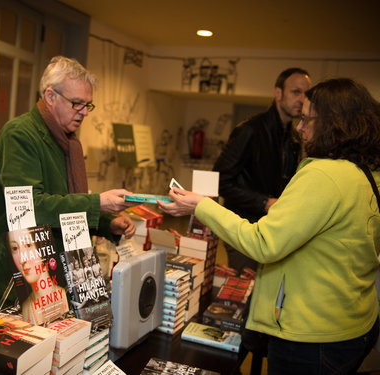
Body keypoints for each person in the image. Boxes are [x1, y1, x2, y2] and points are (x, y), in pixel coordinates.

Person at [158, 78, 380, 374]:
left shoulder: (325, 174)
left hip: (310, 333)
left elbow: (263, 243)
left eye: (306, 118)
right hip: (353, 321)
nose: (300, 128)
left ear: (332, 123)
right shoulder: (367, 171)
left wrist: (201, 205)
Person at [0, 56, 136, 311]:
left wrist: (106, 222)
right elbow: (29, 208)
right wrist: (98, 203)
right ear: (50, 96)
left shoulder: (67, 142)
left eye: (87, 105)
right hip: (13, 278)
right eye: (76, 103)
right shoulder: (20, 135)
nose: (83, 112)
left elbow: (63, 200)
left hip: (49, 274)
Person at [213, 67, 311, 272]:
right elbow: (220, 180)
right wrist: (264, 202)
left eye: (306, 94)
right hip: (242, 228)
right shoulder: (250, 130)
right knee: (244, 293)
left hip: (272, 229)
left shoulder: (293, 136)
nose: (302, 99)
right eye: (295, 92)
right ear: (278, 93)